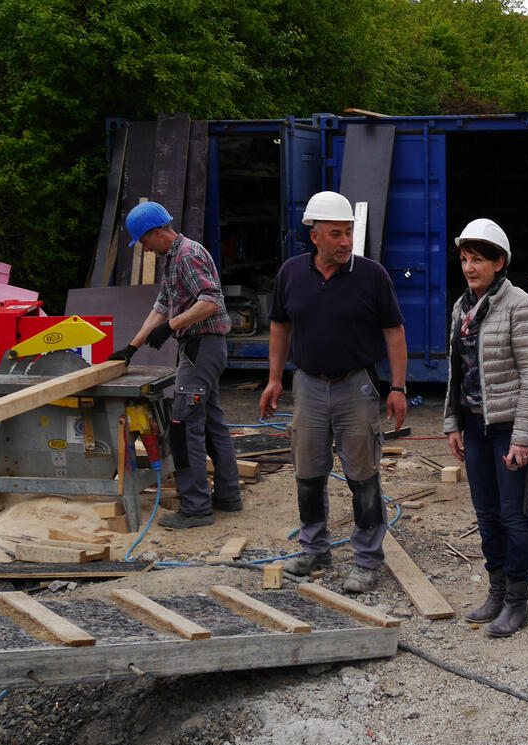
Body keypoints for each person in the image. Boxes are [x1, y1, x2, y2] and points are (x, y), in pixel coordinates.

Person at [259, 191, 407, 594]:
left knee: (363, 475)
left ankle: (365, 560)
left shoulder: (372, 275)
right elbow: (280, 326)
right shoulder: (291, 273)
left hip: (355, 384)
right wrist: (275, 379)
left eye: (349, 233)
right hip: (307, 384)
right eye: (336, 234)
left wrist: (397, 387)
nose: (345, 242)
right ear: (315, 237)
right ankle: (314, 550)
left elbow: (394, 332)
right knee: (307, 472)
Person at [108, 201, 242, 529]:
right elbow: (162, 306)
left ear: (156, 233)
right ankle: (227, 496)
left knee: (183, 429)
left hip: (202, 347)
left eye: (144, 242)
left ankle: (196, 508)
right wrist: (131, 348)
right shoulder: (173, 259)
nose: (145, 248)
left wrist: (171, 325)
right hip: (198, 348)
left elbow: (210, 300)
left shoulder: (188, 255)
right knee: (211, 424)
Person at [443, 219, 528, 638]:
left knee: (514, 515)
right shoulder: (462, 307)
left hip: (508, 429)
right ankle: (497, 591)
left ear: (500, 262)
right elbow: (456, 371)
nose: (470, 267)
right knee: (487, 514)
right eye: (466, 259)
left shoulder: (520, 307)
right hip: (475, 425)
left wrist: (523, 438)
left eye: (479, 259)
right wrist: (452, 421)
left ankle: (518, 603)